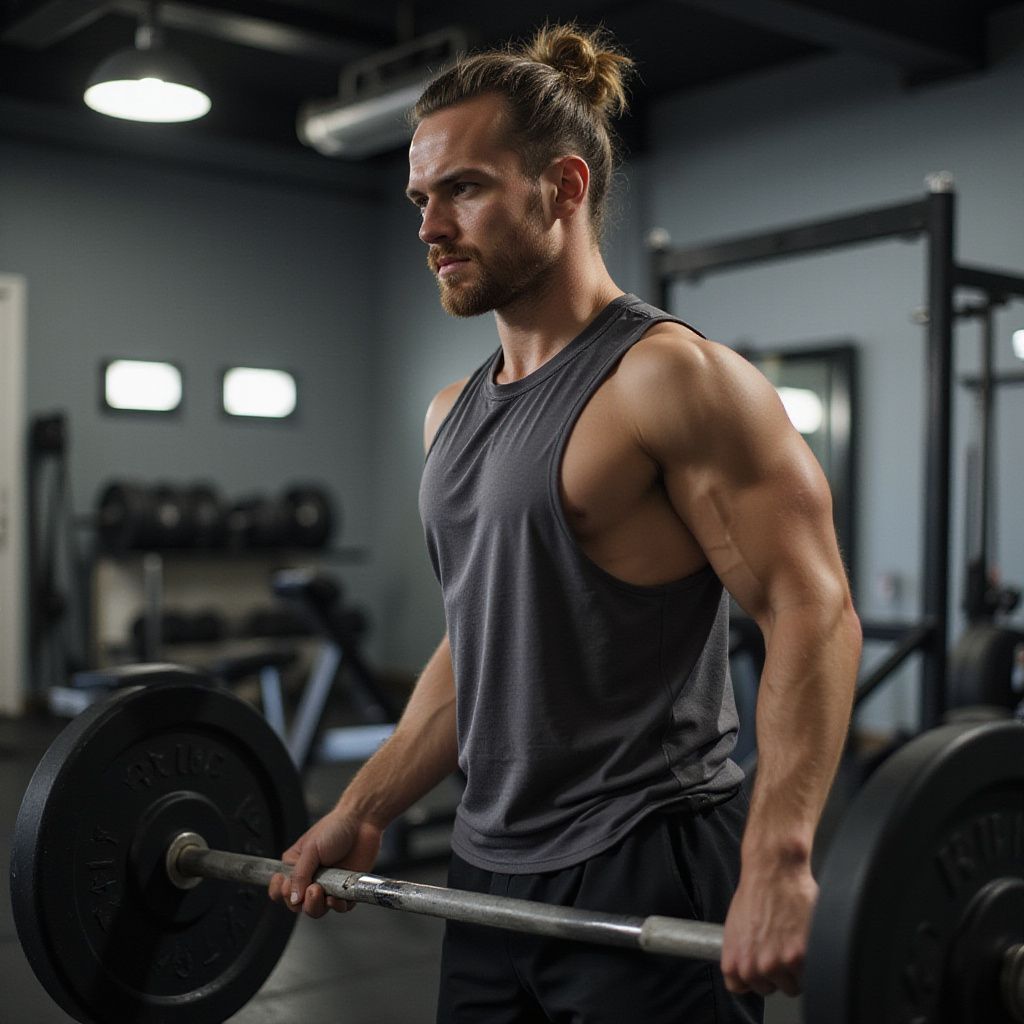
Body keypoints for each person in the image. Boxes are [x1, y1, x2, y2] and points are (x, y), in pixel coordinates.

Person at [268, 22, 862, 1023]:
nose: (428, 227)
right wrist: (361, 809)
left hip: (649, 859)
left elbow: (813, 605)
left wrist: (779, 854)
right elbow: (480, 650)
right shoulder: (448, 412)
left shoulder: (667, 379)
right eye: (420, 198)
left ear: (564, 186)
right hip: (486, 867)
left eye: (462, 188)